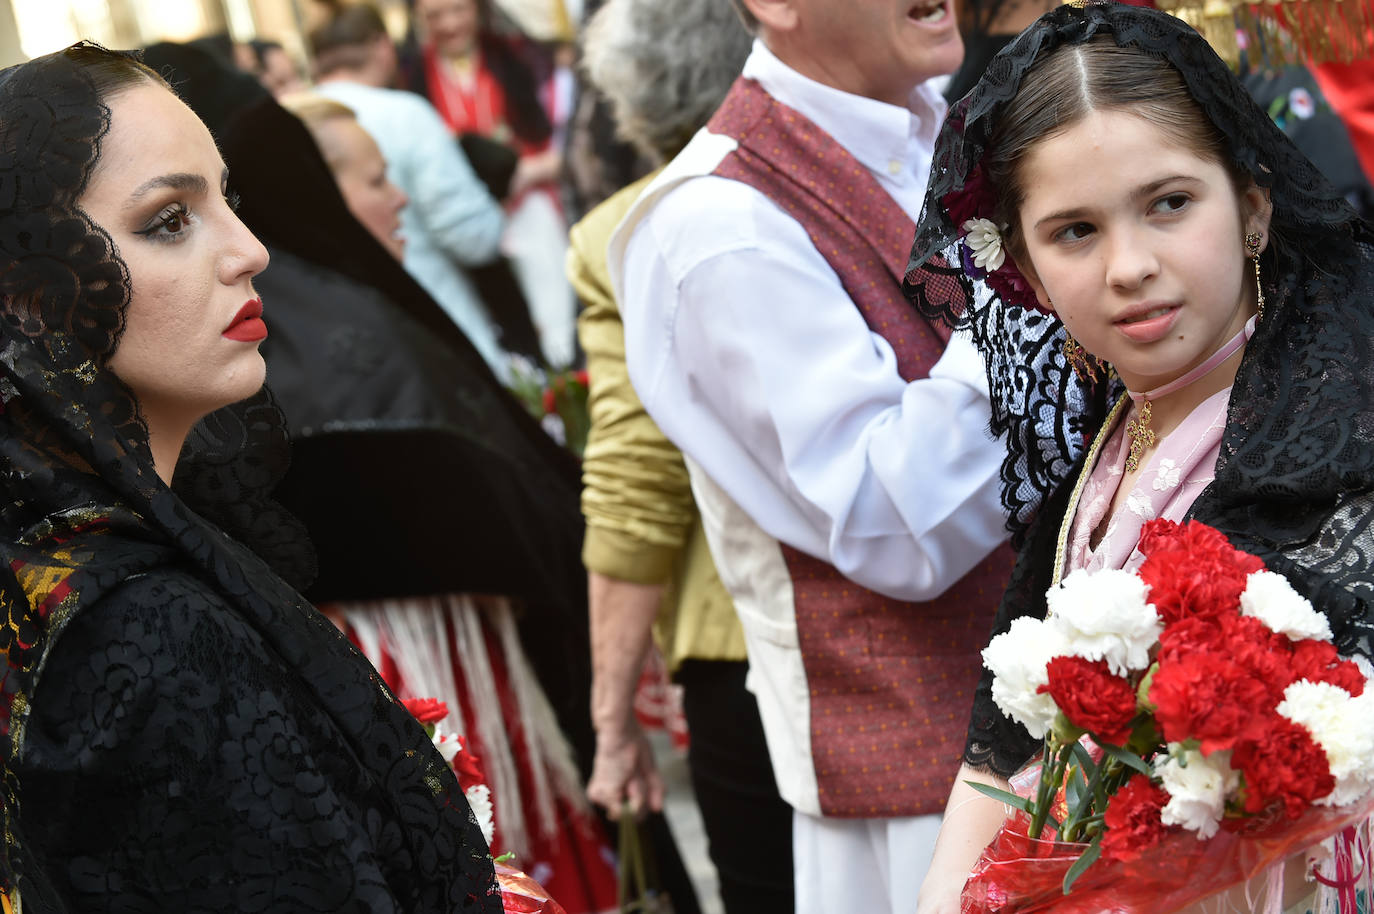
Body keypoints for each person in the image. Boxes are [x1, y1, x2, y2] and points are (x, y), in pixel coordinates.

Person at [0, 42, 500, 912]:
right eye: (168, 221)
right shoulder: (152, 634)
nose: (250, 251)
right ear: (32, 296)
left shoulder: (67, 563)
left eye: (226, 198)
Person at [901, 4, 1374, 912]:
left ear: (1253, 208)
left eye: (1169, 204)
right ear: (1028, 275)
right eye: (1075, 231)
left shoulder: (1339, 454)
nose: (1129, 266)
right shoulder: (1107, 437)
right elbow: (1009, 742)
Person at [607, 0, 1017, 910]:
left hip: (1074, 736)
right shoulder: (718, 220)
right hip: (925, 789)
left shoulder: (956, 126)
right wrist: (1031, 289)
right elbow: (895, 525)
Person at [567, 0, 791, 911]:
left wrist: (613, 719)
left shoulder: (631, 227)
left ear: (633, 96)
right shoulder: (868, 175)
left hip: (751, 637)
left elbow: (636, 483)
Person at [309, 3, 517, 378]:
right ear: (382, 45)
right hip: (437, 321)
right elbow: (471, 236)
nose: (396, 196)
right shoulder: (403, 114)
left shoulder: (291, 122)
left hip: (349, 346)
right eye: (377, 181)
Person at [410, 0, 579, 368]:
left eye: (458, 10)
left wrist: (522, 174)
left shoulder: (517, 58)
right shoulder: (412, 77)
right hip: (466, 222)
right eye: (435, 15)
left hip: (531, 208)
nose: (450, 23)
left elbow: (566, 145)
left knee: (555, 321)